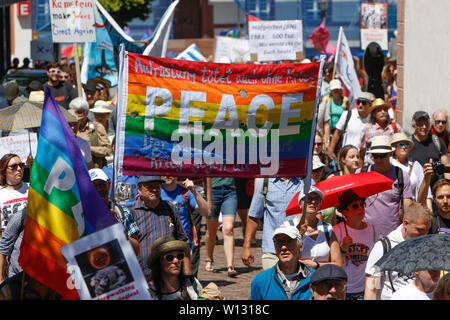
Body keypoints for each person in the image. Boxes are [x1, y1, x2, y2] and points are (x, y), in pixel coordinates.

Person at [364, 202, 432, 300]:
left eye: (427, 230)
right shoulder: (384, 248)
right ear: (405, 223)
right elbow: (371, 289)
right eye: (419, 230)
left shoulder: (427, 245)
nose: (424, 235)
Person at [130, 176, 191, 283]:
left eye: (157, 186)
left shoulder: (170, 208)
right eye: (149, 187)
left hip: (169, 278)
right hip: (142, 278)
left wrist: (188, 274)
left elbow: (183, 241)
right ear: (139, 189)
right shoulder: (131, 213)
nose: (154, 190)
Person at [242, 176, 304, 271]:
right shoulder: (264, 183)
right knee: (273, 284)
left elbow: (316, 215)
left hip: (299, 251)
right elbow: (254, 216)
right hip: (272, 250)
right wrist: (246, 246)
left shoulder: (305, 183)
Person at [357, 135, 414, 237]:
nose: (378, 160)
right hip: (364, 234)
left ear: (390, 154)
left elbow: (408, 208)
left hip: (392, 235)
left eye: (382, 156)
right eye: (375, 156)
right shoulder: (361, 173)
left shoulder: (401, 175)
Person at [160, 176, 210, 277]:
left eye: (171, 171)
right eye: (164, 172)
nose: (167, 175)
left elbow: (206, 212)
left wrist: (194, 191)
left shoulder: (185, 193)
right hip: (163, 244)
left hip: (183, 245)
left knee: (186, 278)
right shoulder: (156, 192)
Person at [333, 190, 377, 300]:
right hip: (343, 290)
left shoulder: (372, 230)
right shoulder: (337, 231)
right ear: (345, 212)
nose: (360, 208)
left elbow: (377, 262)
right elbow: (332, 260)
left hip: (364, 290)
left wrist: (376, 287)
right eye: (355, 206)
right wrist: (343, 248)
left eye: (362, 204)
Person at [250, 224, 314, 300]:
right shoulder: (261, 281)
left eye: (289, 241)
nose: (283, 247)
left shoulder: (316, 278)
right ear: (274, 248)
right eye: (279, 242)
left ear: (300, 246)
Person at [88, 168, 139, 254]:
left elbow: (136, 250)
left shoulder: (123, 212)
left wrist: (119, 228)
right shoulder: (82, 216)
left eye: (101, 184)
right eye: (93, 186)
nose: (99, 189)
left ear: (108, 184)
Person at [294, 186, 342, 269]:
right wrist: (299, 236)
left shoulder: (328, 229)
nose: (312, 202)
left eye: (317, 199)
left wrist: (316, 265)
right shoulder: (290, 227)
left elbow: (338, 264)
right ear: (300, 204)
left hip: (322, 279)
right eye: (308, 198)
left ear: (320, 204)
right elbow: (287, 260)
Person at [147, 236, 202, 300]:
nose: (176, 261)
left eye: (180, 256)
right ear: (159, 262)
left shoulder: (192, 282)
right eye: (169, 257)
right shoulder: (148, 292)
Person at [204, 178, 238, 277]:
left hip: (230, 192)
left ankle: (230, 265)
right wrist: (209, 199)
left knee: (228, 229)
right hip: (213, 191)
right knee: (211, 231)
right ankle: (209, 258)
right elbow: (207, 176)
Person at [390, 132, 432, 208]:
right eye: (400, 145)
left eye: (406, 144)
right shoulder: (389, 163)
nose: (404, 147)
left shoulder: (415, 165)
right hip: (392, 208)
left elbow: (426, 190)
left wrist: (429, 211)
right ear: (394, 147)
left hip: (411, 209)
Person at [328, 92, 372, 161]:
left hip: (365, 159)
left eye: (363, 103)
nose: (360, 105)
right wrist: (331, 150)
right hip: (347, 158)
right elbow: (337, 133)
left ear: (369, 105)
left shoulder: (372, 119)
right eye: (358, 102)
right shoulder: (347, 114)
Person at [69, 97, 112, 168]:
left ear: (86, 113)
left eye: (79, 112)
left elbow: (107, 151)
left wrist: (87, 148)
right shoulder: (67, 129)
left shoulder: (97, 127)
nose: (77, 115)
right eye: (74, 112)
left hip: (94, 170)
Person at [359, 98, 403, 165]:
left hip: (391, 167)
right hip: (372, 167)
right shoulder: (367, 129)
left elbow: (403, 146)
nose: (383, 112)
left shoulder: (396, 127)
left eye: (385, 110)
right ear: (373, 114)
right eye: (379, 110)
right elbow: (362, 153)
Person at [0, 154, 29, 235]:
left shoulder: (32, 188)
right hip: (11, 244)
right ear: (4, 171)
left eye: (21, 165)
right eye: (14, 166)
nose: (19, 169)